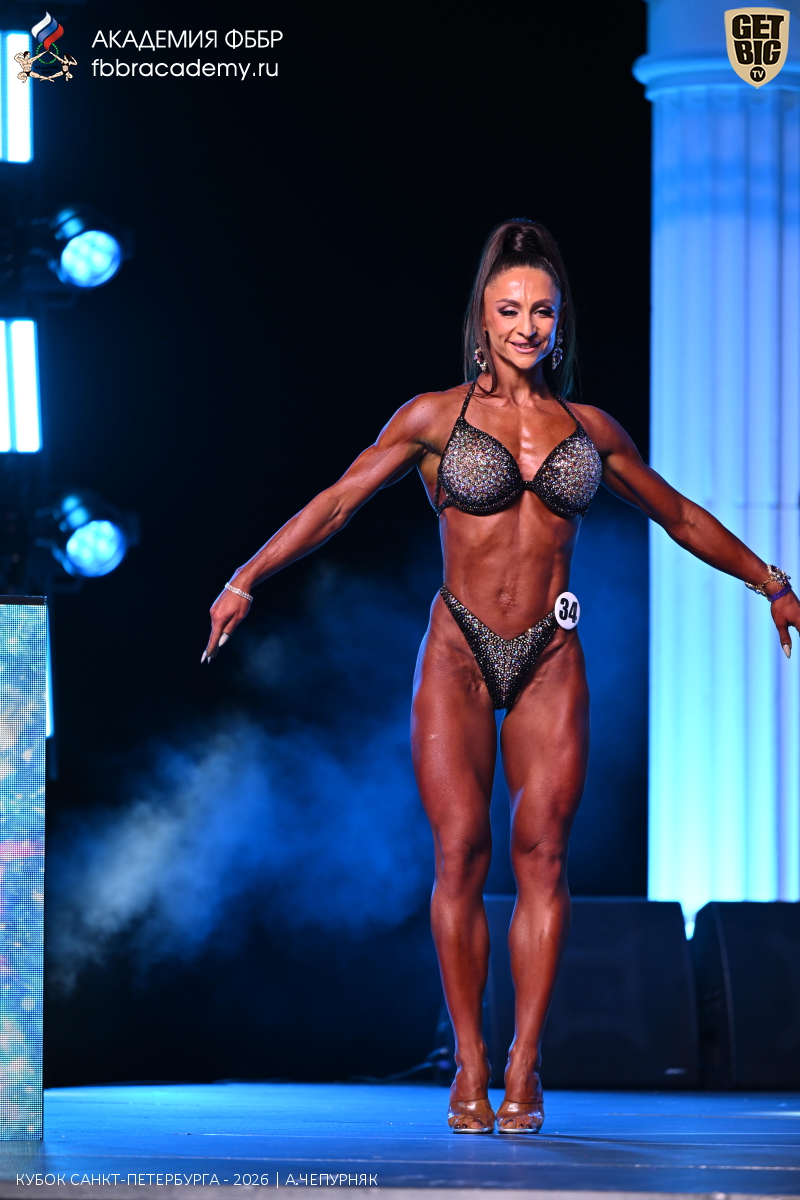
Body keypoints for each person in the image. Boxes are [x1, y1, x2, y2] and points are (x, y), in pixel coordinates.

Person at [203, 219, 799, 1134]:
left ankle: (524, 1058)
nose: (527, 326)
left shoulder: (590, 431)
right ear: (483, 320)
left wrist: (771, 583)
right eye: (510, 309)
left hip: (551, 655)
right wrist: (247, 577)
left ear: (559, 323)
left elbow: (678, 514)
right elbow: (338, 502)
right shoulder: (432, 419)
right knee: (460, 854)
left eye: (542, 312)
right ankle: (470, 1059)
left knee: (545, 858)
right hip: (458, 653)